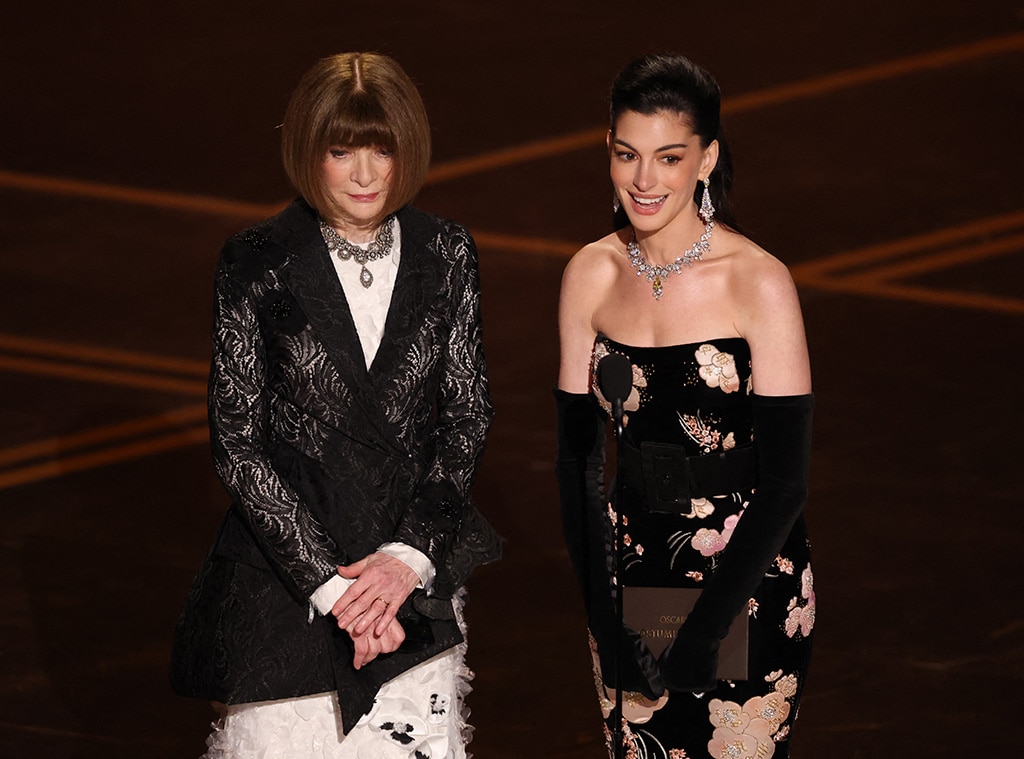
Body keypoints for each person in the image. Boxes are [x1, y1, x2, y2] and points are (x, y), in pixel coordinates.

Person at [170, 52, 501, 759]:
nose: (364, 174)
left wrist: (406, 560)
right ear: (307, 151)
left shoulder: (447, 252)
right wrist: (334, 589)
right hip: (287, 585)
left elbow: (467, 416)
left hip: (408, 585)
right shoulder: (257, 261)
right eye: (341, 151)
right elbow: (237, 444)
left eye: (382, 149)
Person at [555, 53, 815, 758]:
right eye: (627, 154)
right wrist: (604, 620)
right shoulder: (589, 274)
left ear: (707, 159)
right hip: (630, 573)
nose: (644, 180)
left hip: (747, 573)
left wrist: (705, 631)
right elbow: (577, 462)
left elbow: (786, 483)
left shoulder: (759, 282)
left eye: (669, 158)